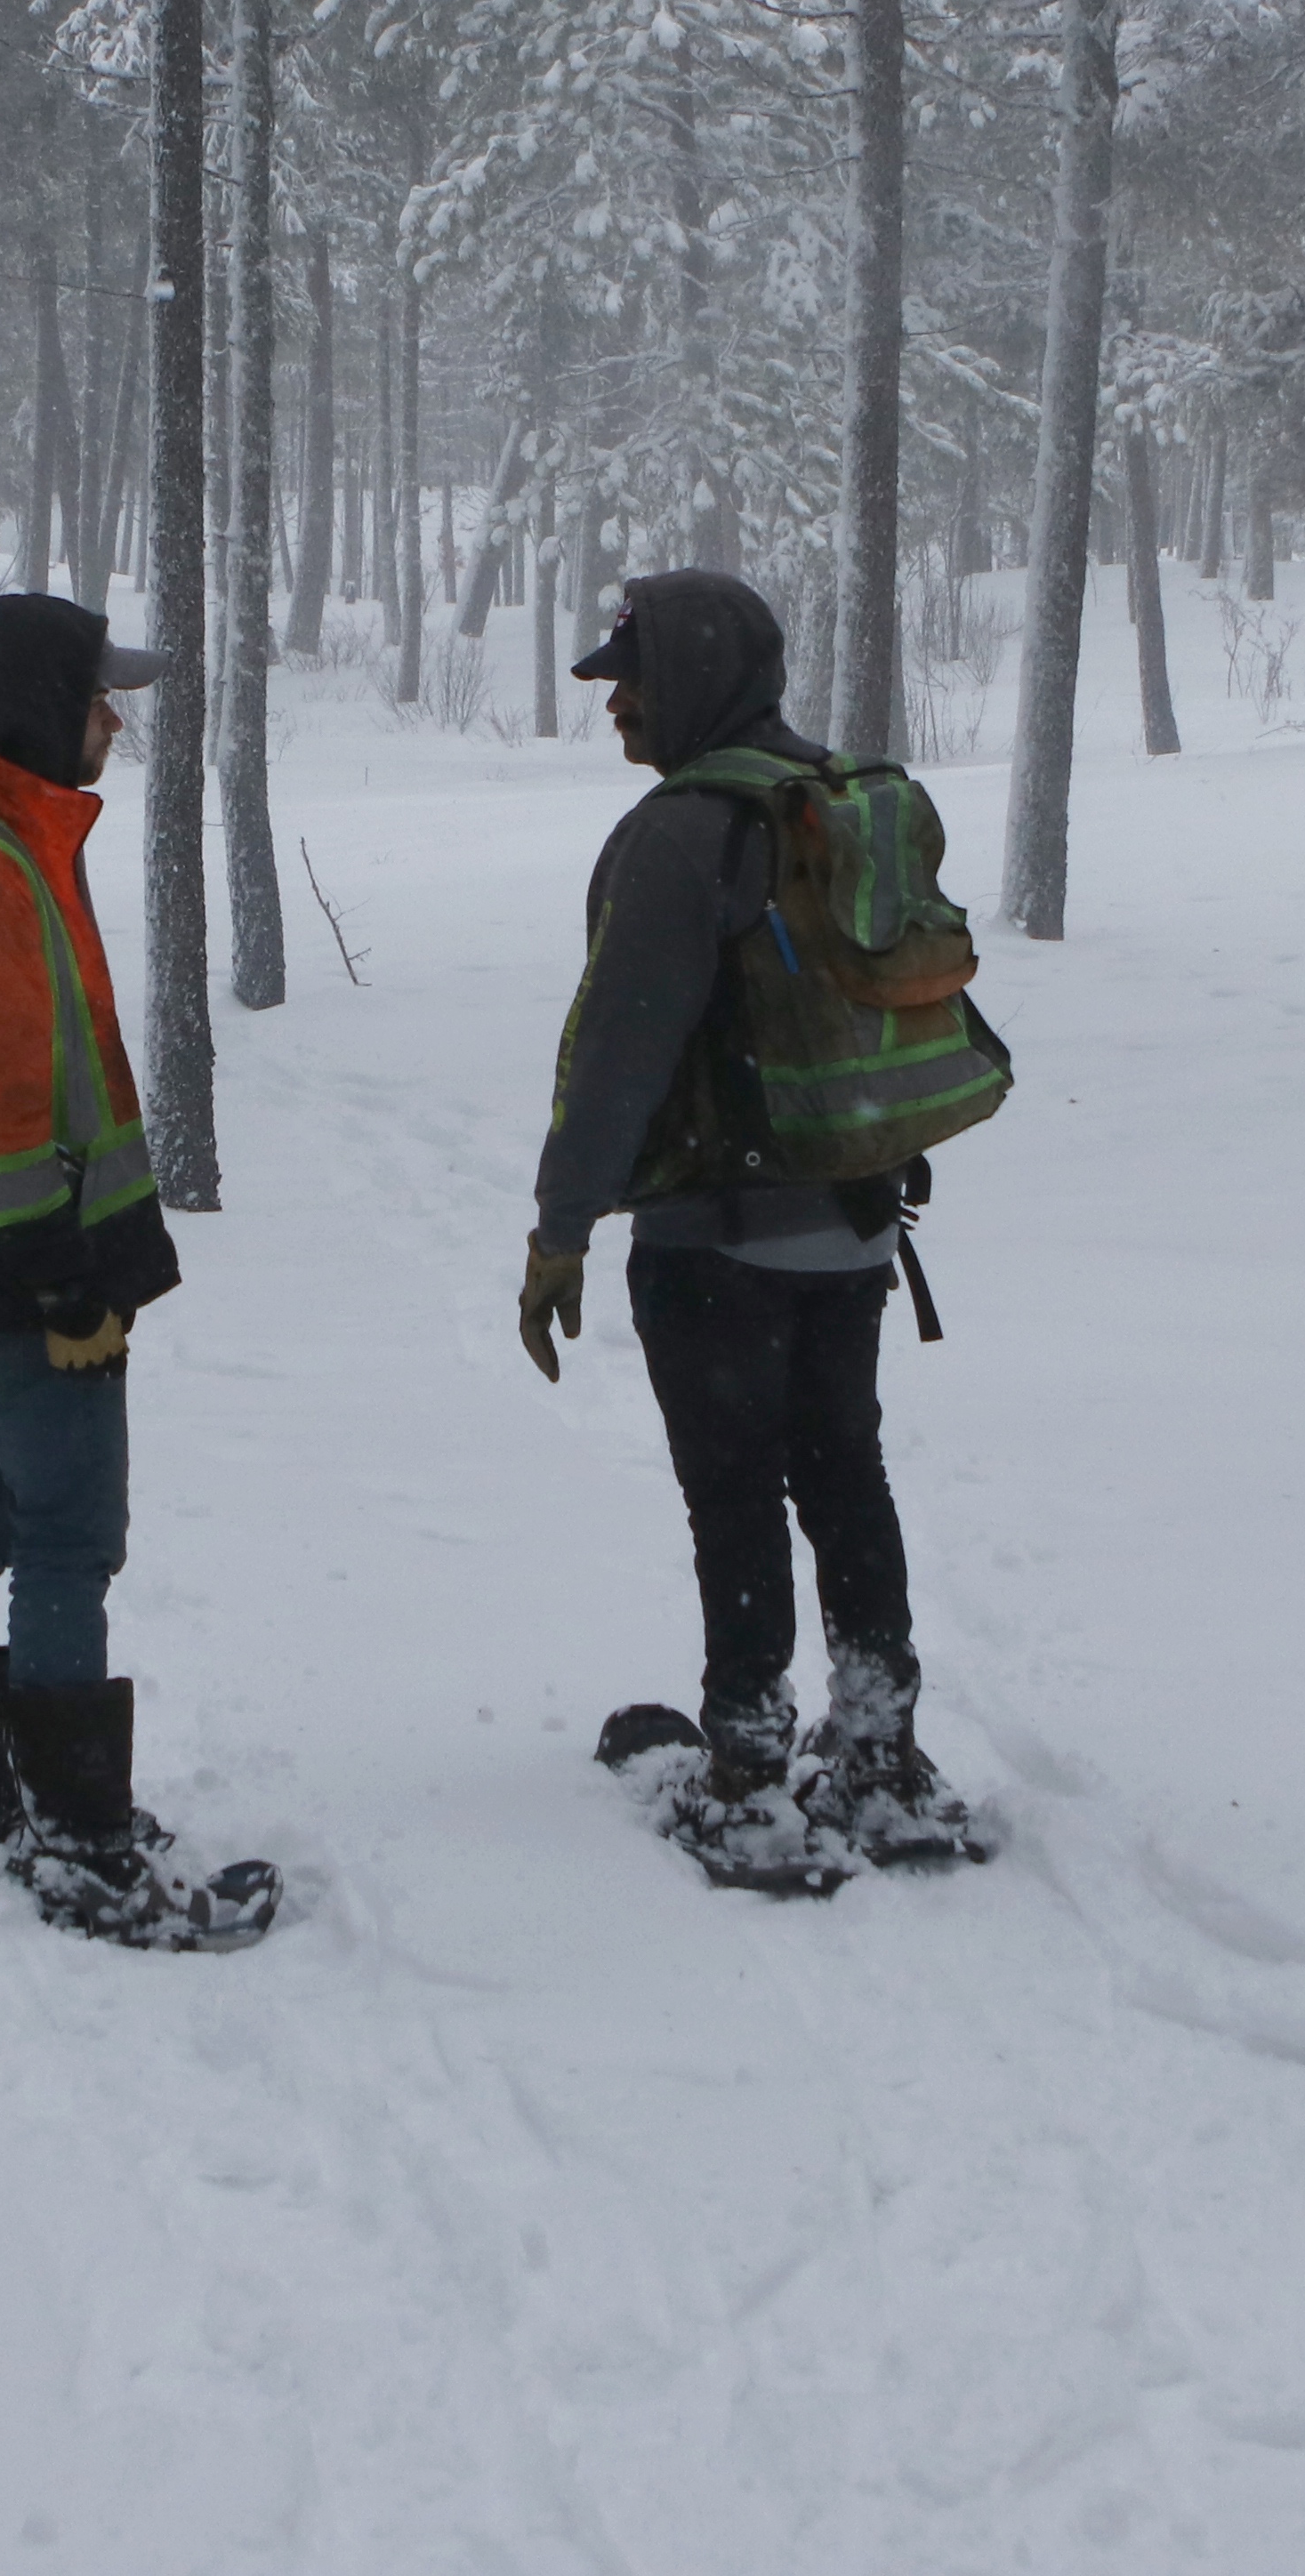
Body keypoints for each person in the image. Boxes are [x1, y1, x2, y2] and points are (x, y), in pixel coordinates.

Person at [514, 568, 975, 1869]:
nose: (616, 704)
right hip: (856, 1222)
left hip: (716, 1239)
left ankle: (748, 1767)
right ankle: (880, 1755)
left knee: (734, 1490)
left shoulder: (680, 835)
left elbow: (618, 1050)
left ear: (699, 679)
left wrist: (561, 1230)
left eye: (635, 679)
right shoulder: (838, 800)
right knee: (843, 1473)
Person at [0, 592, 272, 1951]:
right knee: (62, 1538)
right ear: (44, 709)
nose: (115, 718)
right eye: (99, 697)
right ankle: (79, 1838)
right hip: (11, 1276)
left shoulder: (3, 840)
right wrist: (65, 1285)